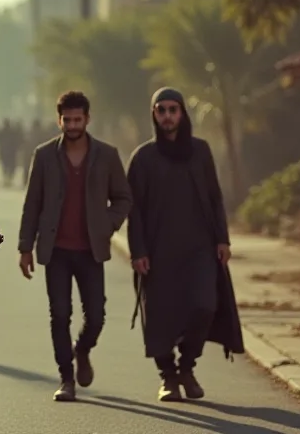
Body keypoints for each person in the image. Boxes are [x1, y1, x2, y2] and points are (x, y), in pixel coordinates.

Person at [126, 87, 244, 402]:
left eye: (172, 109)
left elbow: (215, 197)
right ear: (154, 115)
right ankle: (169, 378)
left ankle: (187, 367)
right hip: (159, 251)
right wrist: (138, 251)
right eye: (161, 110)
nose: (167, 116)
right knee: (162, 316)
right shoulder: (143, 158)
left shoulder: (201, 151)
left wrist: (222, 238)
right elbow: (133, 209)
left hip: (200, 250)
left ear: (182, 113)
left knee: (205, 307)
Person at [18, 91, 132, 401]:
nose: (71, 125)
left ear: (87, 119)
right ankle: (66, 378)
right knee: (60, 314)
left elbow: (123, 198)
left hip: (91, 249)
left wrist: (108, 223)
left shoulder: (107, 155)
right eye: (66, 120)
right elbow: (33, 204)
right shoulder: (43, 156)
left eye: (77, 119)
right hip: (56, 250)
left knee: (96, 315)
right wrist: (25, 247)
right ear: (59, 120)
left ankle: (82, 350)